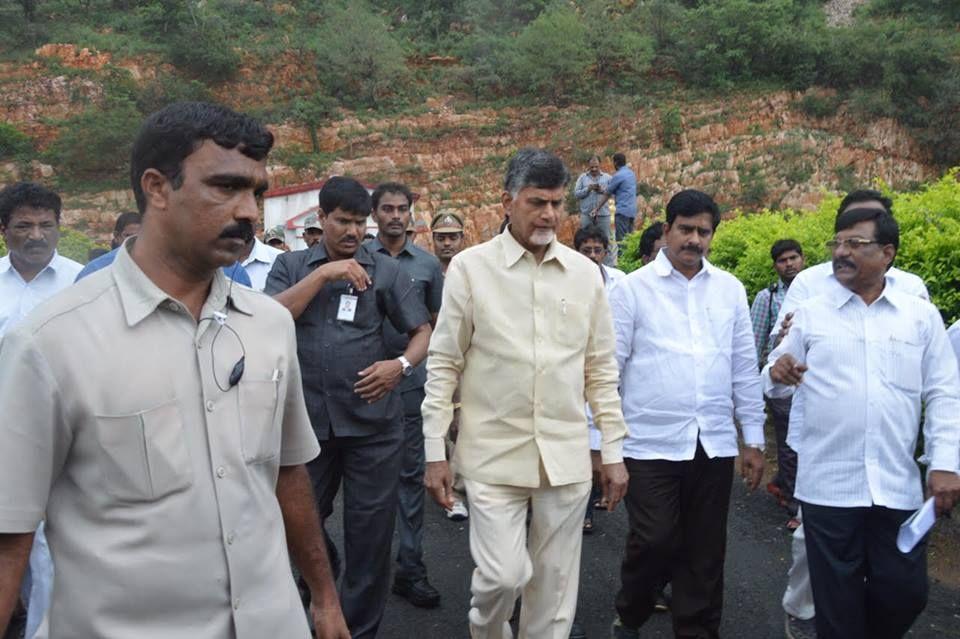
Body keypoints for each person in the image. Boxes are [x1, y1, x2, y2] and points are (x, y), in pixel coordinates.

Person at [0, 101, 349, 639]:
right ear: (157, 188)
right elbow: (10, 534)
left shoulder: (269, 326)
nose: (250, 212)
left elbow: (287, 472)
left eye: (255, 191)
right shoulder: (49, 344)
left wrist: (324, 599)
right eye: (225, 187)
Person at [422, 147, 629, 639]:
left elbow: (600, 369)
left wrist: (614, 450)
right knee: (501, 577)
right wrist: (435, 452)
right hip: (492, 452)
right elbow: (445, 362)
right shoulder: (470, 269)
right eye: (538, 202)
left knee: (555, 592)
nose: (550, 214)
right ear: (506, 202)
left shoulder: (585, 274)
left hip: (565, 454)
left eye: (558, 203)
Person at [763, 206, 960, 639]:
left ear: (887, 252)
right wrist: (777, 372)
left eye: (856, 243)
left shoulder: (919, 316)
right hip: (828, 485)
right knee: (837, 604)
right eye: (838, 242)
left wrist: (945, 463)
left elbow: (944, 391)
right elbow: (775, 376)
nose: (841, 252)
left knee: (905, 593)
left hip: (896, 483)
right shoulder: (813, 313)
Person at [265, 176, 432, 638]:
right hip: (306, 429)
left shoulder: (387, 271)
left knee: (370, 539)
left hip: (374, 429)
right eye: (343, 221)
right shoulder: (291, 265)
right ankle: (324, 589)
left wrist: (398, 366)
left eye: (360, 222)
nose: (353, 232)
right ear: (321, 219)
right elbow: (270, 320)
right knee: (296, 529)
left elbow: (421, 332)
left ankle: (358, 631)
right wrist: (324, 274)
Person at [609, 189, 766, 639]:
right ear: (666, 230)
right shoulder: (631, 290)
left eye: (704, 232)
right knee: (655, 540)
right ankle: (632, 609)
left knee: (704, 552)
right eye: (686, 229)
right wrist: (601, 446)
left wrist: (752, 439)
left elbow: (742, 367)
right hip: (648, 443)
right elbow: (608, 369)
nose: (694, 239)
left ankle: (695, 631)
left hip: (712, 443)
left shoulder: (730, 290)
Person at [0, 181, 82, 639]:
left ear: (59, 226)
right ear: (3, 230)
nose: (36, 235)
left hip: (59, 434)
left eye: (46, 225)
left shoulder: (82, 282)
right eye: (23, 226)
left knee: (49, 546)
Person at [365, 182, 445, 609]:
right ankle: (364, 576)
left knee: (411, 480)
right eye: (387, 209)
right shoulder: (357, 259)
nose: (395, 216)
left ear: (411, 213)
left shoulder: (429, 267)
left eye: (402, 209)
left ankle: (411, 568)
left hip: (412, 386)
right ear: (374, 214)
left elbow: (436, 326)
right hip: (364, 387)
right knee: (367, 486)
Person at [573, 224, 624, 535]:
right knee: (578, 444)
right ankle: (583, 508)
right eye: (586, 250)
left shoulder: (621, 283)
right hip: (573, 375)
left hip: (608, 372)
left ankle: (594, 497)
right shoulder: (564, 281)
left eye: (597, 250)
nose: (592, 256)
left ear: (606, 252)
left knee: (599, 445)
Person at [750, 239, 805, 526]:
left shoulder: (816, 294)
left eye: (793, 258)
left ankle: (786, 483)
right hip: (778, 380)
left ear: (803, 259)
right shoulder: (767, 298)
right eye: (783, 260)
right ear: (775, 266)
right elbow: (756, 341)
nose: (790, 264)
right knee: (787, 440)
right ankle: (793, 498)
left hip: (809, 381)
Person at [591, 152, 638, 241]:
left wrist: (596, 209)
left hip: (622, 213)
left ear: (615, 163)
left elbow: (607, 194)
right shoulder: (631, 173)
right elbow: (622, 190)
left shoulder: (618, 175)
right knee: (630, 241)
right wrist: (602, 191)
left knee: (622, 242)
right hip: (632, 212)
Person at [573, 155, 612, 242]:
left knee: (606, 240)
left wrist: (602, 190)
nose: (594, 169)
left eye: (596, 167)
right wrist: (588, 189)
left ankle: (607, 256)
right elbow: (576, 194)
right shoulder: (582, 178)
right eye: (592, 167)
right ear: (588, 165)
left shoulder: (608, 178)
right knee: (584, 240)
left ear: (600, 165)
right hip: (586, 215)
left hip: (603, 215)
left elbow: (614, 194)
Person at [240, 225, 284, 291]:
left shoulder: (285, 260)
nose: (275, 246)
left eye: (278, 243)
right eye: (271, 243)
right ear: (265, 242)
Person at [430, 210, 465, 275]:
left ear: (462, 239)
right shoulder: (424, 273)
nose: (447, 243)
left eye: (453, 238)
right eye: (440, 239)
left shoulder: (471, 272)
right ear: (433, 239)